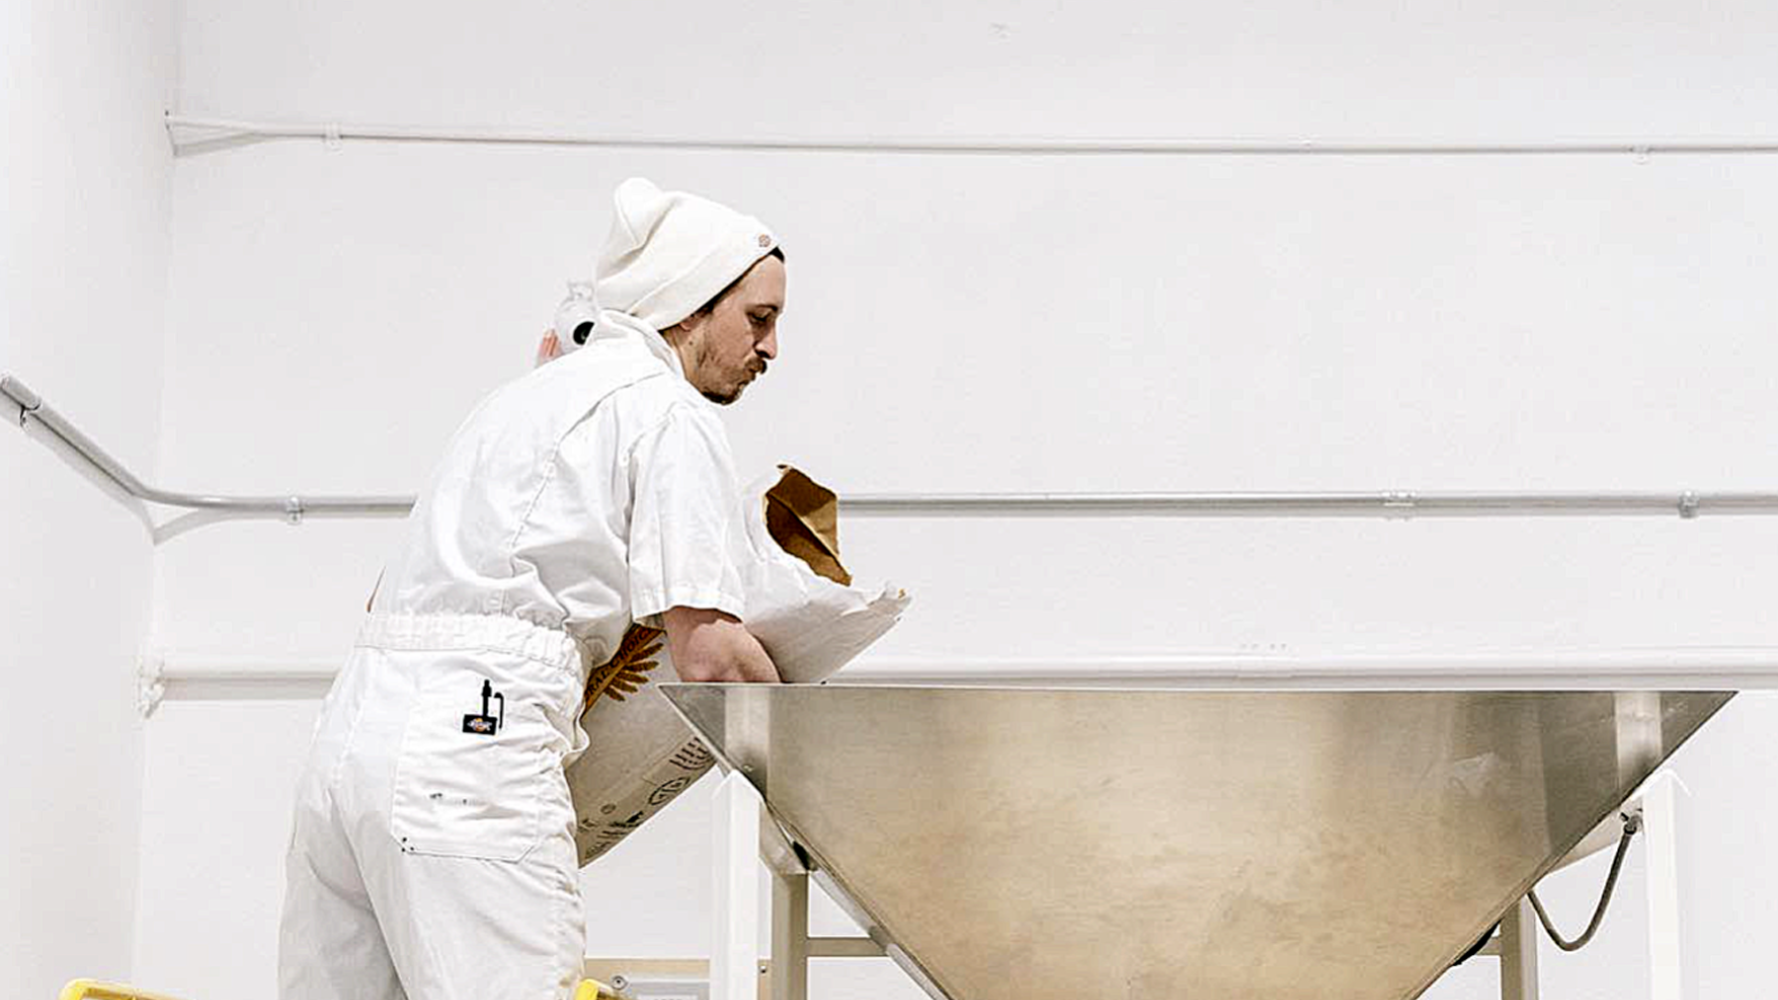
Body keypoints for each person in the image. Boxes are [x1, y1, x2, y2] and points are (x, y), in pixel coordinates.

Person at [278, 177, 787, 1000]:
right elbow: (710, 656)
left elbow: (380, 598)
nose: (771, 348)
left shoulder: (512, 402)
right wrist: (806, 741)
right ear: (691, 305)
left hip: (348, 747)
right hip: (472, 753)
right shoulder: (667, 412)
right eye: (758, 318)